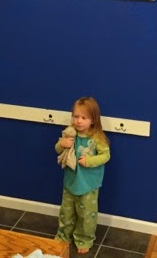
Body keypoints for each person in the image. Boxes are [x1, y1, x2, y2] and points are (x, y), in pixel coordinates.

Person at [54, 97, 110, 254]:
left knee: (86, 215)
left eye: (84, 118)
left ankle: (84, 238)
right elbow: (58, 149)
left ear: (93, 120)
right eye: (76, 116)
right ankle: (63, 236)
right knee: (66, 213)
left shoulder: (97, 138)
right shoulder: (70, 133)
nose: (78, 121)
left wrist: (89, 161)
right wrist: (61, 144)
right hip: (70, 182)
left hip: (88, 185)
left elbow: (106, 156)